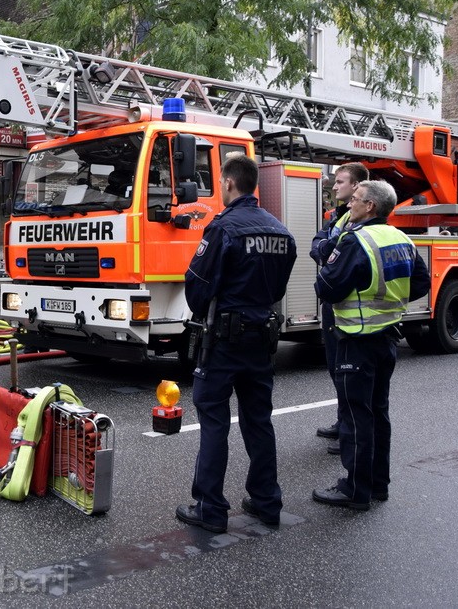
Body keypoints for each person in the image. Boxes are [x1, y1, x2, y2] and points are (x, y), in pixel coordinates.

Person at [176, 155, 297, 533]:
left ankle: (210, 508)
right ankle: (267, 502)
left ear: (229, 184)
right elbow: (278, 289)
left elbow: (197, 288)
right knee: (258, 421)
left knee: (213, 420)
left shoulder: (223, 228)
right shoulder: (281, 232)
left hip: (225, 341)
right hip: (262, 337)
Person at [312, 180, 430, 510]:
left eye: (357, 200)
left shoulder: (355, 240)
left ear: (370, 207)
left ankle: (354, 489)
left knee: (355, 417)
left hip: (356, 341)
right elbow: (420, 282)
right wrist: (388, 300)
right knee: (378, 413)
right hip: (388, 338)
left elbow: (327, 287)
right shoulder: (401, 238)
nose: (350, 204)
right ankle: (378, 484)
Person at [309, 163, 369, 455]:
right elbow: (318, 244)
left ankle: (349, 431)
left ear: (357, 186)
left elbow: (334, 250)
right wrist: (327, 247)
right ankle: (342, 421)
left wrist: (327, 248)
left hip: (352, 312)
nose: (334, 186)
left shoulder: (360, 219)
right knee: (335, 367)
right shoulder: (337, 216)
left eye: (340, 182)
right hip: (336, 308)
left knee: (348, 372)